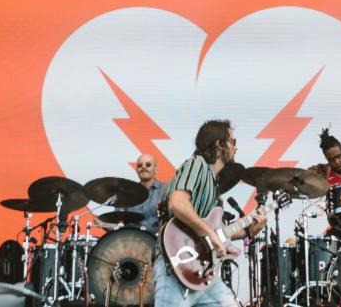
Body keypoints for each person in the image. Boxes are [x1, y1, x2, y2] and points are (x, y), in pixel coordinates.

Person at [155, 120, 264, 307]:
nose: (235, 147)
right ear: (219, 145)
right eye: (232, 140)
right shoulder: (196, 165)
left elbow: (219, 231)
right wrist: (210, 233)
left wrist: (248, 230)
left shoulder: (214, 186)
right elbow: (177, 203)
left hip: (203, 273)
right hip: (176, 267)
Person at [104, 155, 169, 232]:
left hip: (156, 240)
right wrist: (104, 224)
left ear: (156, 169)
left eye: (148, 164)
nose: (143, 167)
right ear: (136, 170)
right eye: (139, 165)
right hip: (131, 239)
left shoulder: (166, 189)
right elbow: (118, 224)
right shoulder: (126, 193)